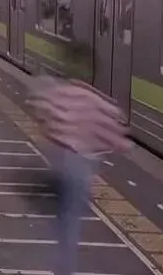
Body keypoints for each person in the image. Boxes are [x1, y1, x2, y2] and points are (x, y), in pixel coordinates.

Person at [26, 42, 130, 275]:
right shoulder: (96, 101)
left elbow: (41, 111)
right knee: (72, 220)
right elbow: (114, 131)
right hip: (81, 166)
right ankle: (64, 269)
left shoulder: (59, 93)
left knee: (61, 218)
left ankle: (60, 263)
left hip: (58, 160)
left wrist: (50, 128)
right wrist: (122, 144)